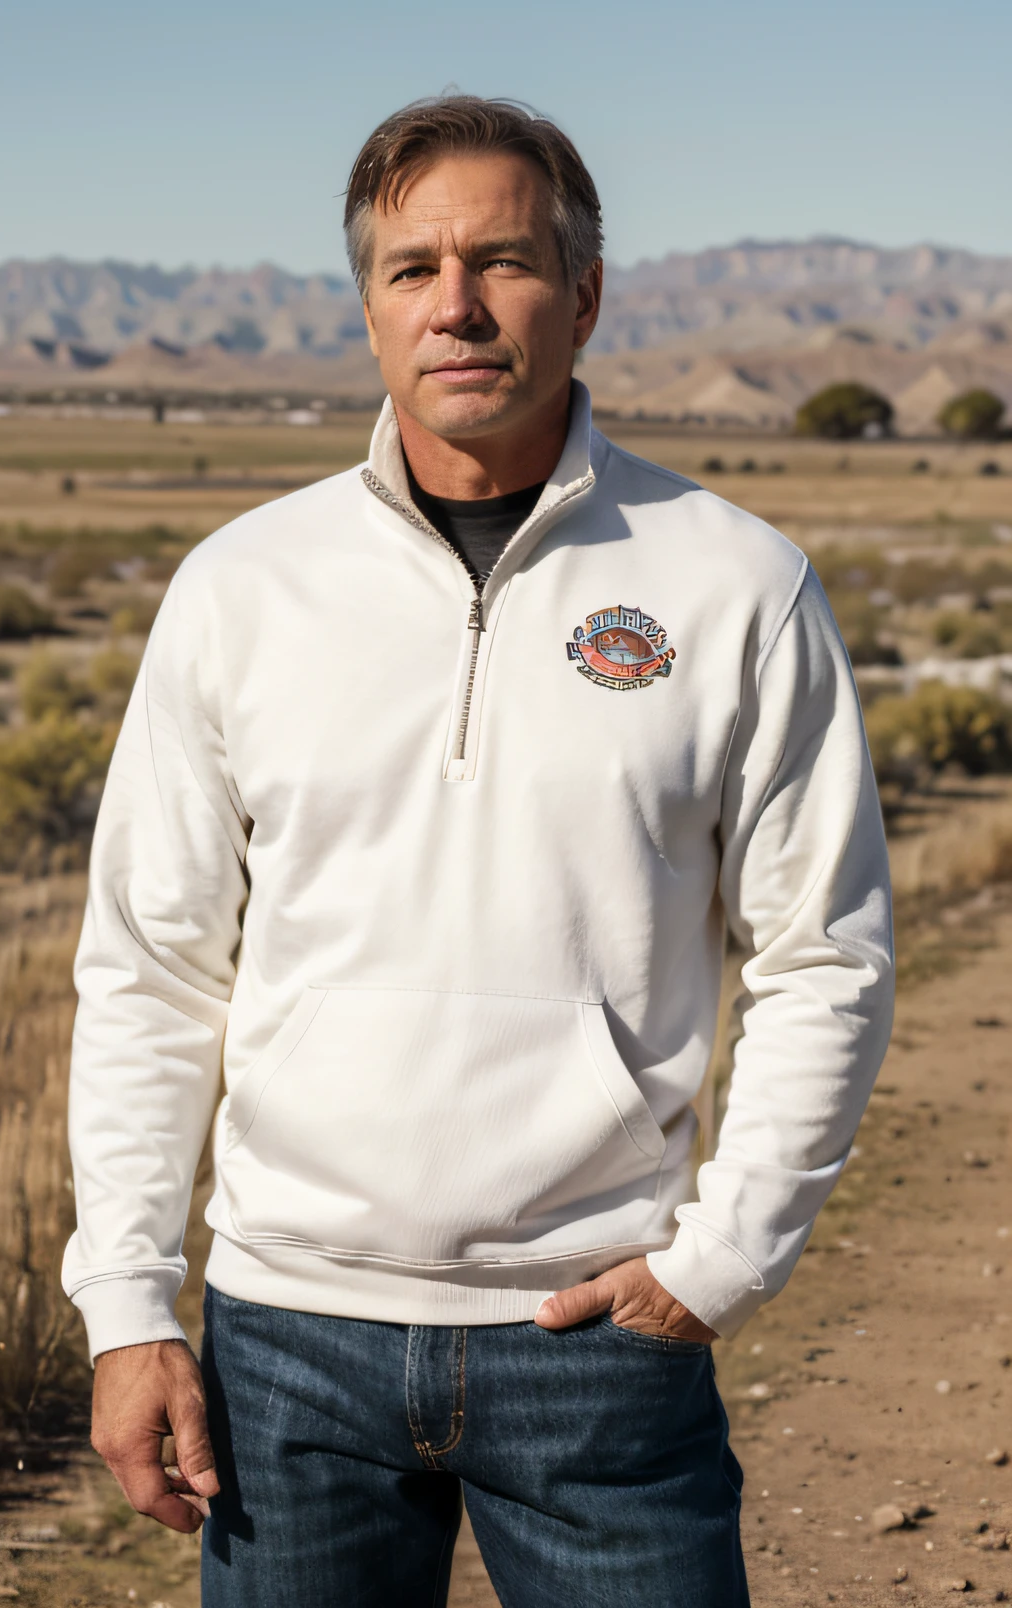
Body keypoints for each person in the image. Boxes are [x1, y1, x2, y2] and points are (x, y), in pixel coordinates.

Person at [63, 95, 894, 1607]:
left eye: (502, 261)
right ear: (368, 304)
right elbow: (148, 970)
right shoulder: (243, 589)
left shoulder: (734, 586)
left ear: (583, 295)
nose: (454, 305)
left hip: (594, 1340)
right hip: (285, 1345)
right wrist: (128, 1303)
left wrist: (724, 1259)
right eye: (409, 268)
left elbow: (825, 952)